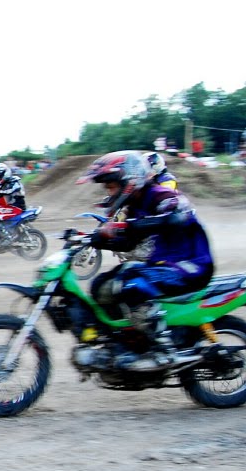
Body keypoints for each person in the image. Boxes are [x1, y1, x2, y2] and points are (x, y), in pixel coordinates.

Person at [76, 150, 214, 371]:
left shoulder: (162, 195)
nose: (109, 192)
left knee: (132, 286)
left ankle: (162, 349)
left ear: (129, 180)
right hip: (163, 264)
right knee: (100, 285)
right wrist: (98, 240)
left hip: (190, 265)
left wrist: (129, 226)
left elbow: (176, 216)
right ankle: (128, 342)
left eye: (111, 186)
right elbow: (128, 243)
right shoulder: (135, 206)